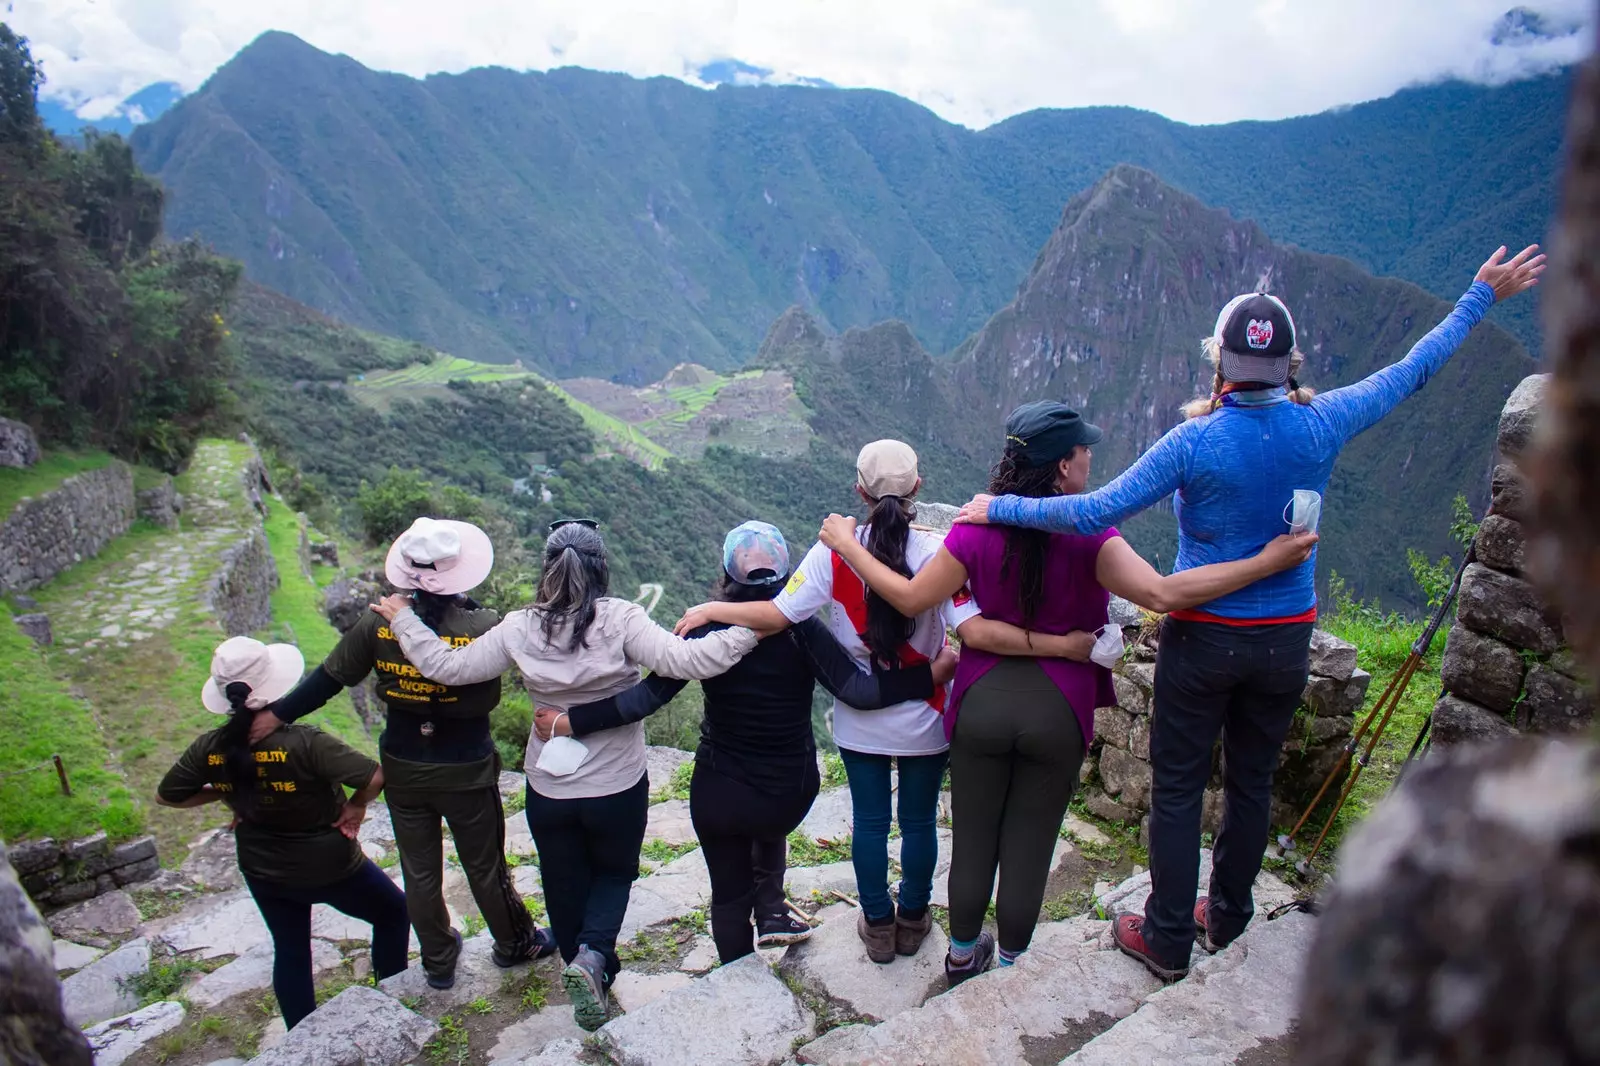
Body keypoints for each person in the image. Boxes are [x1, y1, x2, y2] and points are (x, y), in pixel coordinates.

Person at [954, 245, 1546, 981]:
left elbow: (1098, 509)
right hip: (1286, 640)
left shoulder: (1193, 440)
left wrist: (998, 505)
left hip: (1203, 640)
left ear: (1220, 364)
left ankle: (1166, 936)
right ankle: (1227, 917)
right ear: (1291, 364)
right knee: (1252, 782)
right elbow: (1412, 371)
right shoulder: (1323, 421)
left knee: (1175, 785)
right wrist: (1478, 296)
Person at [819, 402, 1316, 983]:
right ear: (1061, 468)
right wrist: (1264, 563)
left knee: (975, 837)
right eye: (1084, 453)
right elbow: (1162, 594)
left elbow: (909, 599)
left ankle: (959, 955)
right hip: (1058, 709)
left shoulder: (974, 533)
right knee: (1029, 845)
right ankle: (1008, 966)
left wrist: (850, 548)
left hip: (979, 701)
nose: (1089, 461)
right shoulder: (1092, 538)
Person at [675, 441, 1062, 966]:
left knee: (872, 822)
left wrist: (710, 609)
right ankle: (913, 918)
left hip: (861, 720)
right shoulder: (939, 552)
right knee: (921, 822)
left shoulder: (830, 553)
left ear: (859, 490)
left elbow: (775, 617)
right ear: (917, 488)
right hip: (927, 712)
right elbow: (968, 628)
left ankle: (877, 925)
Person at [371, 519, 762, 1031]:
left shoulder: (518, 627)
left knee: (563, 879)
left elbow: (446, 666)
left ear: (547, 571)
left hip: (550, 785)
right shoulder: (621, 620)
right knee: (614, 873)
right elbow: (688, 659)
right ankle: (594, 958)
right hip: (616, 782)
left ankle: (582, 961)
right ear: (601, 569)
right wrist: (755, 626)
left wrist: (403, 619)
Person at [535, 521, 968, 964]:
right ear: (785, 575)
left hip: (717, 792)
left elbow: (644, 699)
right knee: (767, 820)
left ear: (727, 573)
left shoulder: (706, 626)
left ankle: (738, 969)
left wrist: (572, 722)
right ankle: (772, 910)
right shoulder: (800, 627)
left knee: (727, 896)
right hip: (786, 793)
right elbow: (858, 691)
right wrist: (929, 675)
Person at [253, 517, 551, 990]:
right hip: (466, 768)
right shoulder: (483, 624)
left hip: (405, 766)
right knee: (484, 866)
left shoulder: (377, 624)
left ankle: (437, 958)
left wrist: (277, 715)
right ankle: (515, 942)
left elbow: (330, 678)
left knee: (420, 871)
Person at [156, 637, 409, 1030]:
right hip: (330, 865)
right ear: (272, 686)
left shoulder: (210, 747)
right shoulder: (304, 742)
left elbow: (168, 795)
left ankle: (299, 1038)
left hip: (263, 869)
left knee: (290, 949)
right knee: (395, 913)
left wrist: (228, 795)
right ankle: (391, 998)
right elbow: (375, 776)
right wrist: (356, 805)